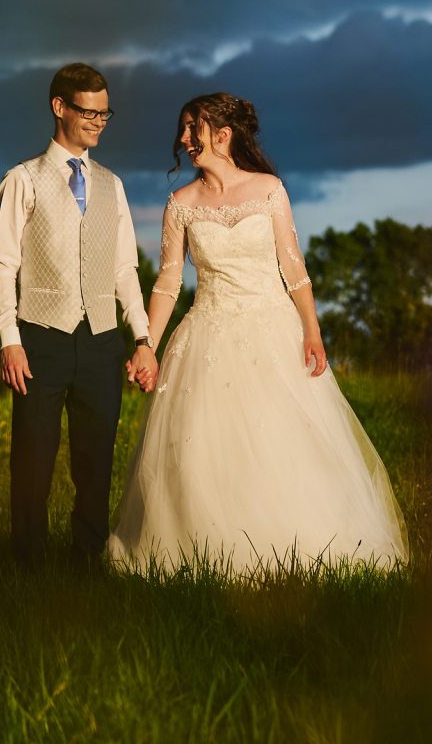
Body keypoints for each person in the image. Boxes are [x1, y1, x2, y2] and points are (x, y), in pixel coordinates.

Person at [107, 93, 408, 576]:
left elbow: (294, 268)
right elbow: (167, 282)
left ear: (222, 135)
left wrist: (312, 330)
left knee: (284, 448)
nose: (183, 140)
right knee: (204, 454)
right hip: (206, 336)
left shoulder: (269, 189)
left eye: (192, 129)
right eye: (183, 131)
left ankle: (298, 553)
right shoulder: (180, 204)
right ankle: (209, 556)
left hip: (273, 333)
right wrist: (147, 345)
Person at [0, 62, 158, 569]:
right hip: (41, 339)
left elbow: (125, 269)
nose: (99, 122)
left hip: (102, 340)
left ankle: (87, 563)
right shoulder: (23, 180)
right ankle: (29, 566)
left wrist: (142, 337)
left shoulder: (113, 185)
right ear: (59, 107)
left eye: (105, 113)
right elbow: (2, 268)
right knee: (34, 460)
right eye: (89, 111)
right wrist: (9, 339)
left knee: (95, 460)